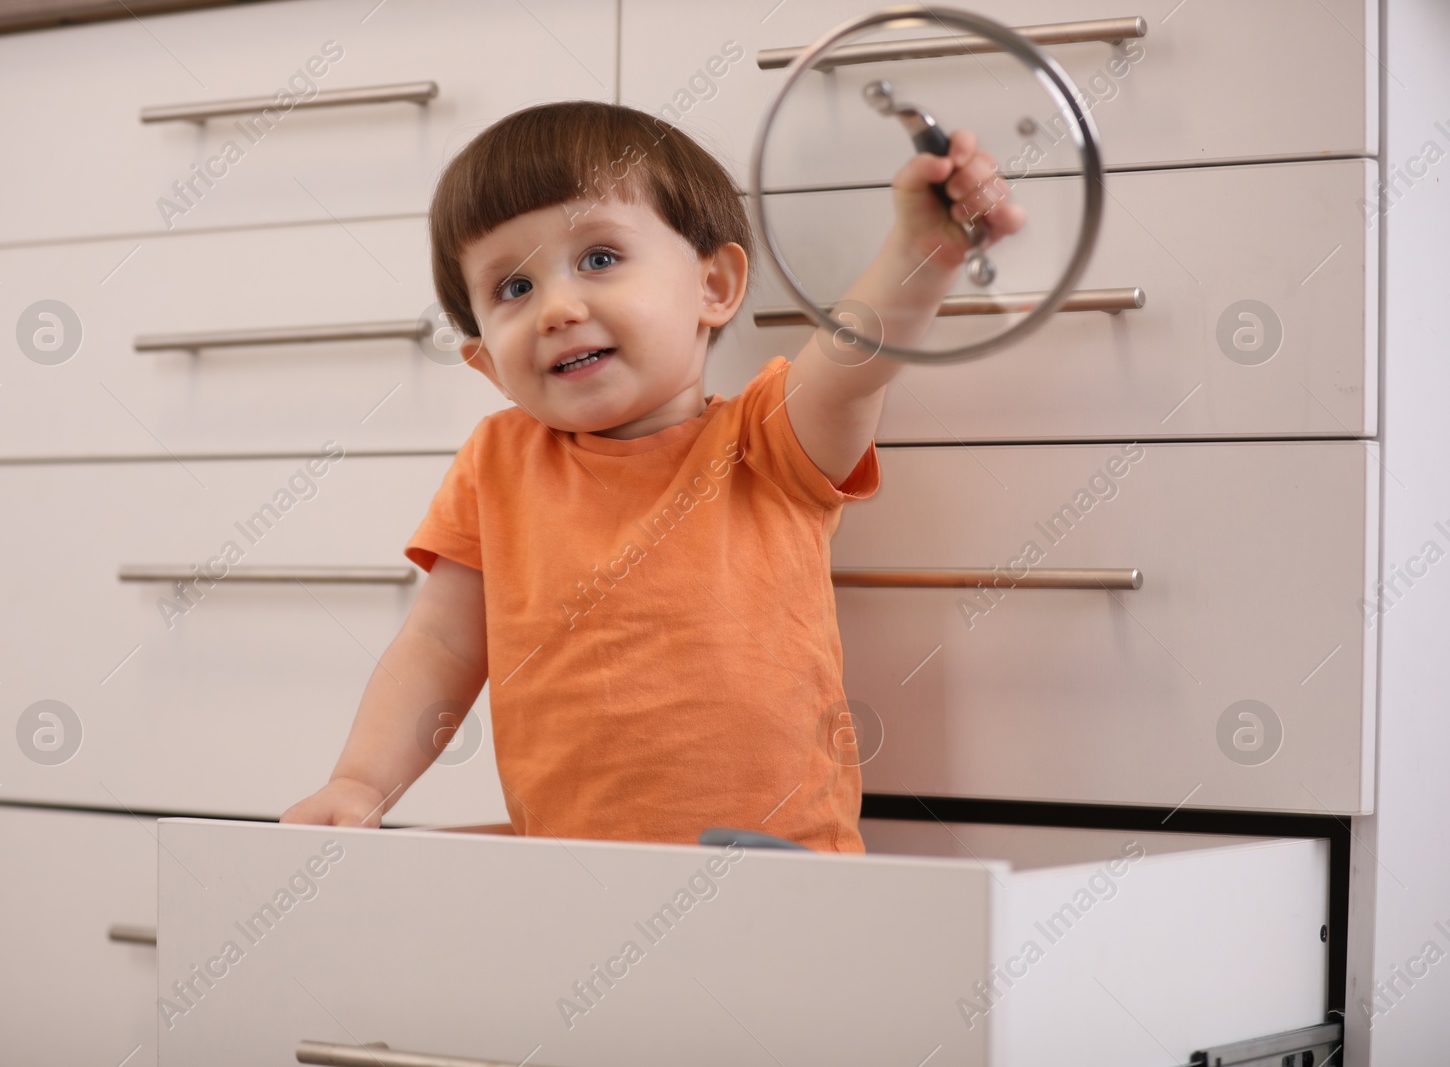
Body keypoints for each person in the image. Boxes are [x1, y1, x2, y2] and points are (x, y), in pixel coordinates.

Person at [280, 101, 1023, 851]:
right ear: (486, 364)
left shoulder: (766, 437)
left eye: (599, 258)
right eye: (513, 288)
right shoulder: (496, 462)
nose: (558, 309)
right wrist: (360, 782)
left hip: (780, 867)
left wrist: (921, 250)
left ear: (714, 286)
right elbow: (438, 647)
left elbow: (856, 362)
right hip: (571, 869)